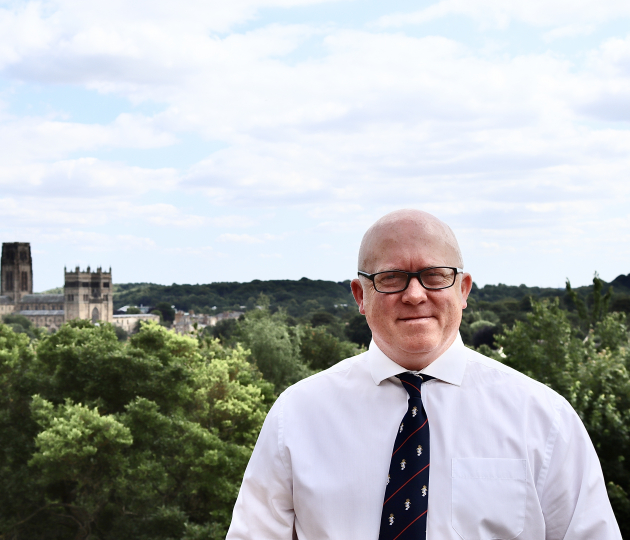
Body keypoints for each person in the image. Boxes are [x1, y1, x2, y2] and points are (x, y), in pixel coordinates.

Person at [225, 209, 620, 539]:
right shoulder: (297, 415)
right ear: (360, 296)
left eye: (434, 275)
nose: (414, 295)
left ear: (463, 289)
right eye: (391, 277)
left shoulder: (545, 419)